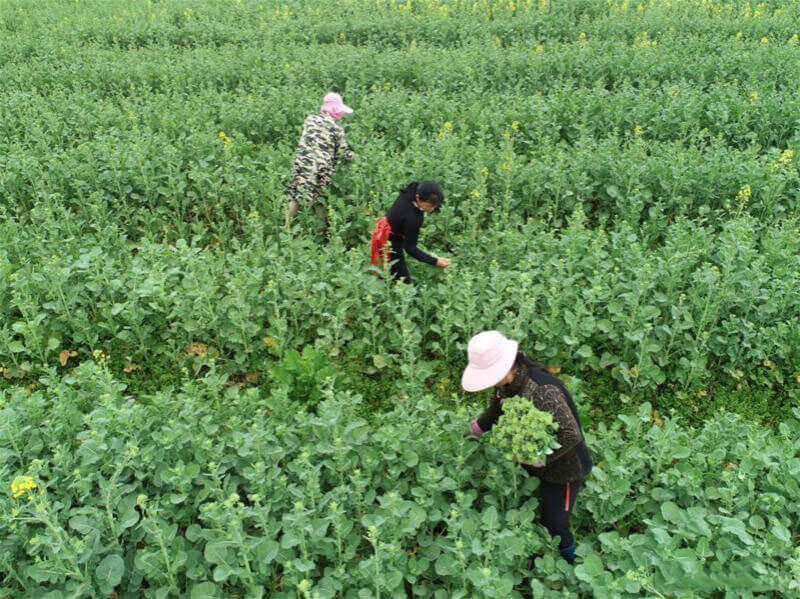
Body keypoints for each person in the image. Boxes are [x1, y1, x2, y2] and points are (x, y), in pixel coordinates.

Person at [461, 330, 592, 564]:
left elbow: (572, 434)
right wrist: (476, 428)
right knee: (537, 500)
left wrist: (541, 459)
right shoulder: (508, 385)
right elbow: (497, 409)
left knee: (554, 523)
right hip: (534, 463)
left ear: (504, 368)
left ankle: (574, 564)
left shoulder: (542, 390)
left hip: (566, 468)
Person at [286, 92, 355, 227]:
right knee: (321, 201)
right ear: (336, 111)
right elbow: (343, 153)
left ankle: (286, 227)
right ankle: (321, 230)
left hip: (301, 164)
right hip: (321, 169)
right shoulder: (337, 129)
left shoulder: (310, 119)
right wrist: (358, 158)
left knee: (295, 197)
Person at [370, 181, 451, 283]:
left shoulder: (414, 188)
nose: (432, 209)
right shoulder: (412, 219)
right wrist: (435, 261)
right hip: (390, 239)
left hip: (391, 223)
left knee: (389, 271)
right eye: (430, 206)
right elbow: (410, 248)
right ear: (418, 198)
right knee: (402, 280)